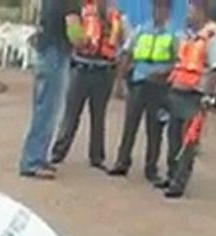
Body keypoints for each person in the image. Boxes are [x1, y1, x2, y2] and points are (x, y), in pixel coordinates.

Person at [158, 0, 216, 199]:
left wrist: (208, 98)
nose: (188, 13)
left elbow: (214, 70)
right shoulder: (186, 36)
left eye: (192, 10)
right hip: (178, 92)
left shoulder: (213, 37)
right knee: (173, 138)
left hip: (195, 96)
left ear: (202, 12)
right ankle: (171, 175)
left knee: (188, 142)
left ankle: (179, 182)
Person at [106, 0, 178, 183]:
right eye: (156, 7)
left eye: (162, 7)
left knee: (155, 130)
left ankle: (151, 168)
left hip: (160, 87)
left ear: (168, 10)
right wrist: (119, 82)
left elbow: (179, 62)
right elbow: (127, 53)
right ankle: (122, 162)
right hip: (139, 82)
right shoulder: (141, 30)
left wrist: (164, 73)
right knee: (130, 124)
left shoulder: (175, 34)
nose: (158, 11)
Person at [50, 0, 125, 170]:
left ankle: (97, 157)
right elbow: (73, 32)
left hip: (105, 70)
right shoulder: (83, 10)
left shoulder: (116, 14)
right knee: (71, 114)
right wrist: (80, 41)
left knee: (98, 116)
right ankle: (58, 151)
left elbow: (123, 42)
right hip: (81, 68)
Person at [18, 0, 74, 180]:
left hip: (45, 49)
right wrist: (85, 42)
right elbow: (73, 28)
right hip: (56, 53)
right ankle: (33, 160)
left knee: (43, 106)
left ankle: (39, 156)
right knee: (49, 108)